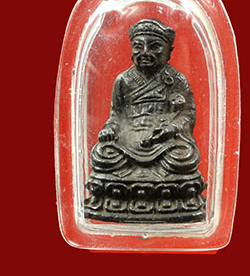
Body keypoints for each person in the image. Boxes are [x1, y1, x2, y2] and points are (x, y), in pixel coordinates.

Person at [85, 18, 206, 222]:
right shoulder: (123, 80)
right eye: (139, 46)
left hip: (163, 143)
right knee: (102, 155)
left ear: (169, 51)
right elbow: (116, 115)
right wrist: (109, 130)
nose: (145, 52)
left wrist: (171, 129)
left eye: (155, 46)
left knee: (185, 157)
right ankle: (157, 191)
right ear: (132, 49)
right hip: (128, 141)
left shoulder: (176, 80)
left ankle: (134, 191)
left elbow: (187, 113)